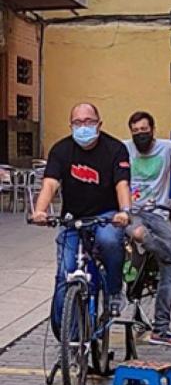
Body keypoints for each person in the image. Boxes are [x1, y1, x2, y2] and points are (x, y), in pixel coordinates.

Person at [32, 103, 132, 339]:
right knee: (65, 272)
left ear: (99, 123)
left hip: (106, 215)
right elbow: (50, 183)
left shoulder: (115, 149)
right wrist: (40, 211)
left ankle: (115, 292)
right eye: (78, 123)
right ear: (71, 126)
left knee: (109, 241)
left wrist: (125, 211)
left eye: (89, 122)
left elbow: (122, 184)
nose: (83, 127)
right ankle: (70, 340)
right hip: (73, 219)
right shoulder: (62, 150)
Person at [124, 111, 171, 347]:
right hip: (132, 213)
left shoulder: (168, 149)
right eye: (135, 131)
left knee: (169, 269)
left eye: (144, 130)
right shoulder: (123, 149)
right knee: (137, 237)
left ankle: (161, 329)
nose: (140, 135)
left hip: (158, 212)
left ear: (153, 129)